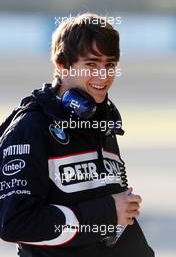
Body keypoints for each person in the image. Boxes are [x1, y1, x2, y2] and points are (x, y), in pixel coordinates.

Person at [0, 13, 154, 257]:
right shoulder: (29, 128)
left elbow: (107, 231)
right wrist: (108, 213)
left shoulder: (102, 123)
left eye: (109, 65)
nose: (103, 76)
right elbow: (15, 224)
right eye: (91, 65)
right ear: (62, 65)